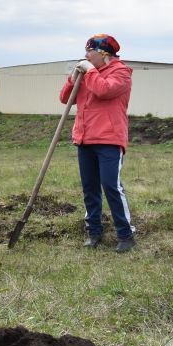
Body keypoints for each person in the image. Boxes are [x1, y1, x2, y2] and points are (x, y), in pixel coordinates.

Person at [60, 34, 135, 253]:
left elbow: (104, 90)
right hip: (84, 138)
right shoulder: (87, 75)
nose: (85, 56)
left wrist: (90, 72)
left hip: (109, 139)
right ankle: (94, 231)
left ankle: (126, 234)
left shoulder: (121, 73)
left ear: (104, 54)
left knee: (111, 185)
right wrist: (74, 77)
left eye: (89, 52)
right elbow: (65, 98)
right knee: (89, 188)